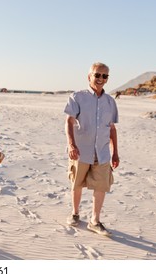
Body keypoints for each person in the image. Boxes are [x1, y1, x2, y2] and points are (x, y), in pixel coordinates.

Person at [64, 62, 119, 236]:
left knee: (101, 185)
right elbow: (69, 122)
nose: (101, 79)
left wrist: (115, 152)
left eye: (105, 76)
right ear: (89, 77)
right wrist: (71, 144)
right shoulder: (77, 97)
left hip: (102, 152)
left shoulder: (110, 102)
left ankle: (95, 221)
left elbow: (112, 128)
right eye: (97, 75)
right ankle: (75, 212)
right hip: (81, 150)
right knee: (77, 183)